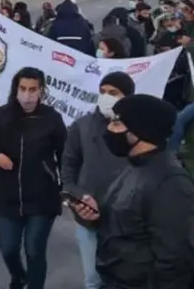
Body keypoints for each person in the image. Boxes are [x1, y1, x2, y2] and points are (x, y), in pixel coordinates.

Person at [70, 94, 194, 288]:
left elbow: (176, 261)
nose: (109, 129)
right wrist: (98, 215)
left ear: (141, 130)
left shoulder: (170, 184)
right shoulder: (133, 165)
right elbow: (130, 223)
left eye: (117, 123)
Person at [0, 66, 68, 289]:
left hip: (43, 197)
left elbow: (65, 154)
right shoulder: (0, 116)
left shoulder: (52, 119)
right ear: (16, 88)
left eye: (33, 89)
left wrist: (66, 186)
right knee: (8, 248)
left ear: (41, 90)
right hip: (9, 194)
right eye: (23, 88)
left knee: (34, 249)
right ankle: (19, 277)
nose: (28, 94)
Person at [61, 72, 135, 289]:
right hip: (89, 221)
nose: (106, 97)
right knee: (93, 280)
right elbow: (68, 168)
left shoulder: (137, 130)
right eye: (102, 92)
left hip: (126, 223)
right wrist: (78, 197)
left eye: (113, 93)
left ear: (127, 97)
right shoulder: (82, 126)